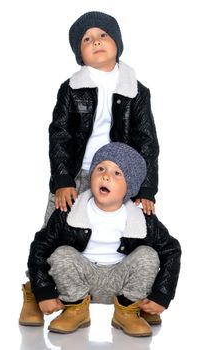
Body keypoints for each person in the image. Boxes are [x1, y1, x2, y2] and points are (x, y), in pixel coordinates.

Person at [19, 142, 181, 337]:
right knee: (62, 254)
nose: (106, 176)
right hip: (81, 280)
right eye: (100, 168)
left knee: (148, 255)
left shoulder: (142, 218)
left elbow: (171, 250)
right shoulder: (68, 211)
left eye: (117, 173)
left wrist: (161, 295)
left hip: (122, 281)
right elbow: (40, 248)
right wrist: (44, 291)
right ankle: (75, 309)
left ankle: (127, 312)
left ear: (130, 186)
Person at [44, 10, 159, 227]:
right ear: (79, 53)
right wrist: (63, 179)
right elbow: (60, 135)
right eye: (87, 39)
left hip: (119, 175)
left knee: (124, 229)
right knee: (57, 225)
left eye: (103, 35)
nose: (96, 41)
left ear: (117, 43)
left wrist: (146, 188)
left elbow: (147, 142)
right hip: (78, 173)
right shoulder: (71, 89)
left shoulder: (136, 91)